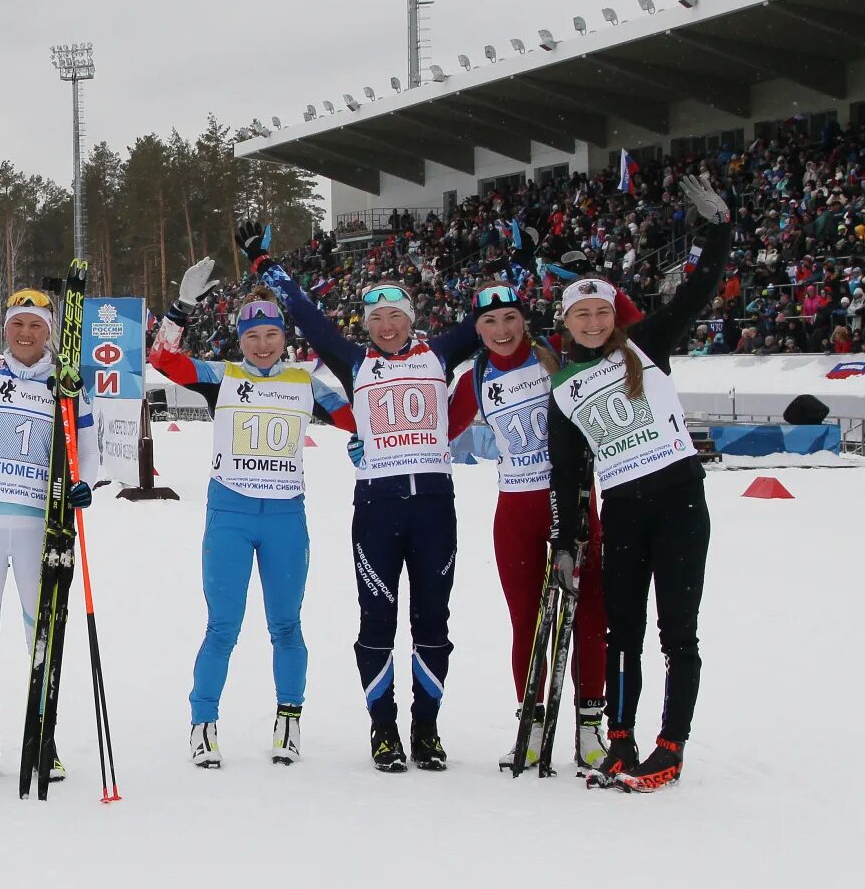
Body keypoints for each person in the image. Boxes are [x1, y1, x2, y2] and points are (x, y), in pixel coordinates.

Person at [244, 224, 480, 772]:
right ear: (366, 326)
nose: (387, 325)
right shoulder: (355, 363)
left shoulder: (439, 355)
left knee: (433, 622)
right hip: (377, 511)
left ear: (412, 320)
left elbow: (488, 321)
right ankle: (383, 730)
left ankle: (426, 729)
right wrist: (263, 264)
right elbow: (305, 314)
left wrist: (518, 261)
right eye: (376, 319)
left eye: (396, 315)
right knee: (376, 620)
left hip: (434, 510)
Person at [549, 175, 732, 792]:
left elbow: (699, 292)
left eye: (602, 310)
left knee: (677, 632)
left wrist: (719, 229)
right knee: (622, 631)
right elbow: (568, 475)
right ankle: (621, 740)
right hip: (624, 509)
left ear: (614, 315)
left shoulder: (648, 343)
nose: (594, 320)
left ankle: (670, 747)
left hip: (679, 501)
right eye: (583, 313)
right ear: (567, 322)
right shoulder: (564, 390)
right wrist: (564, 542)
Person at [147, 264, 348, 767]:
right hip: (230, 514)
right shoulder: (224, 375)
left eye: (272, 334)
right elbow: (162, 360)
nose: (262, 344)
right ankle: (203, 723)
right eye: (253, 335)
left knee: (286, 626)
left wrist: (368, 445)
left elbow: (356, 419)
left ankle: (288, 721)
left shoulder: (307, 381)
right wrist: (182, 307)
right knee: (223, 626)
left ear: (285, 337)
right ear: (241, 339)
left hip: (284, 516)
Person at [445, 281, 634, 775]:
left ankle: (590, 728)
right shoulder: (475, 376)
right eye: (489, 322)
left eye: (510, 318)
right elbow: (432, 433)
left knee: (591, 617)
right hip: (515, 510)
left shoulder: (559, 355)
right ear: (477, 329)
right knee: (527, 623)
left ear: (525, 319)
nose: (502, 331)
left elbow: (625, 324)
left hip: (571, 501)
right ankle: (531, 724)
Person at [0, 195, 98, 784]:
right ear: (6, 331)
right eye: (17, 325)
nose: (27, 332)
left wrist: (83, 485)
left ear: (50, 331)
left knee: (44, 634)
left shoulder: (67, 384)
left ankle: (45, 733)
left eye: (37, 324)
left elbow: (87, 452)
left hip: (41, 523)